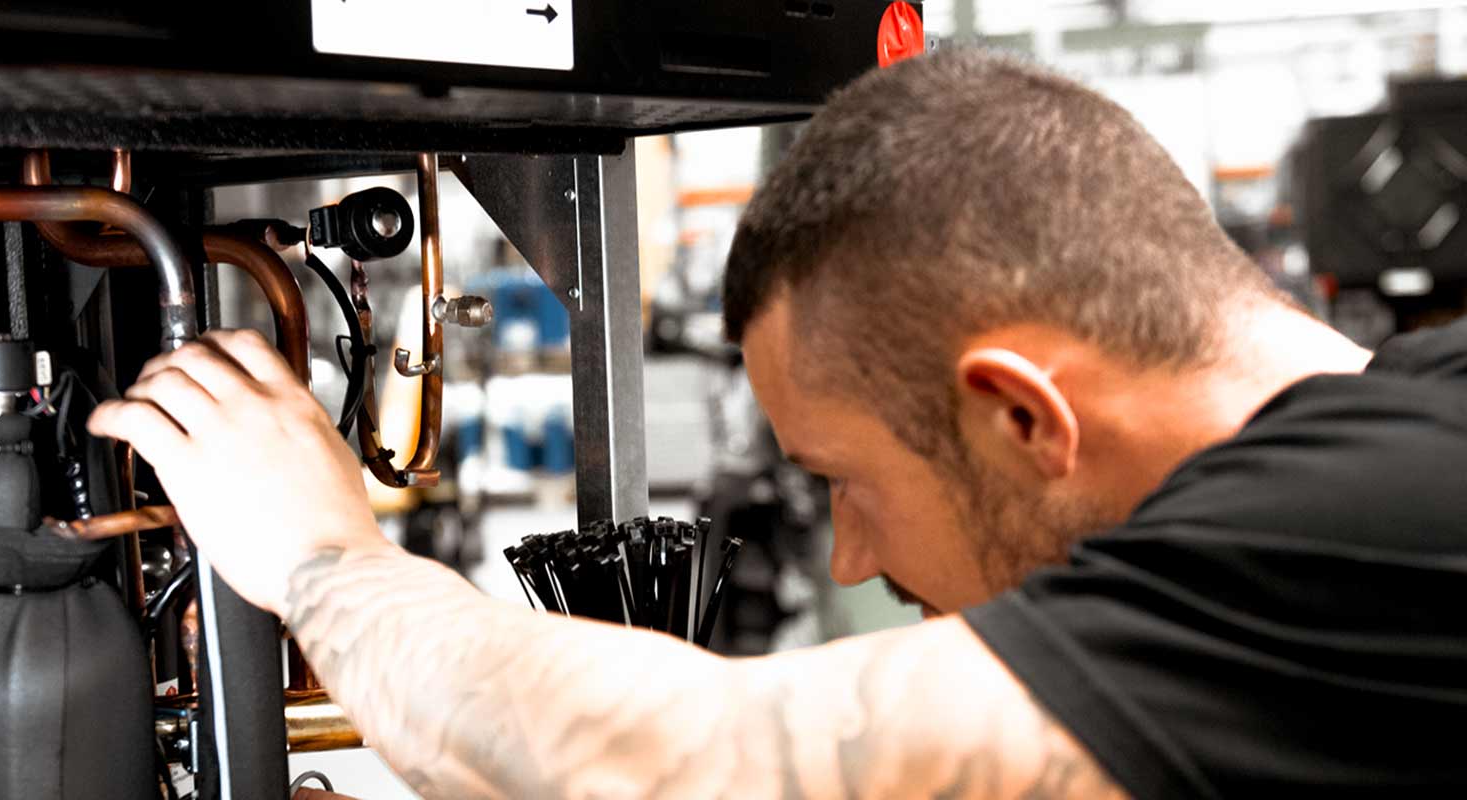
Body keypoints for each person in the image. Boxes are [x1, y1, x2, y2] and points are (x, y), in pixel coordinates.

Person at [88, 48, 1467, 798]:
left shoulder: (1353, 525)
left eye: (844, 478)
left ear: (1022, 415)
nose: (851, 558)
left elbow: (697, 768)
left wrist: (330, 559)